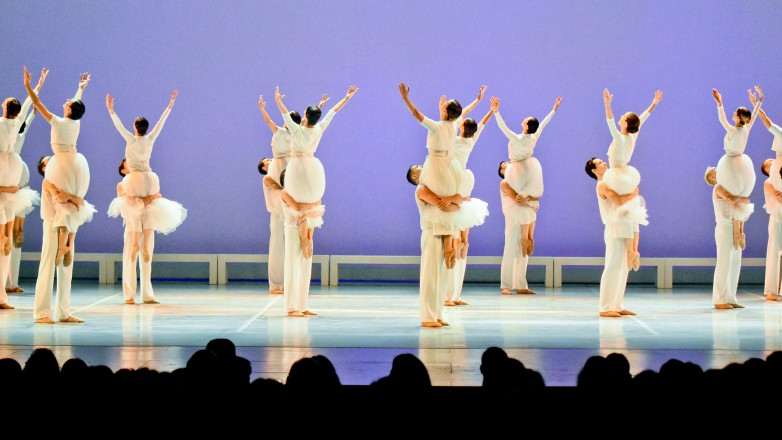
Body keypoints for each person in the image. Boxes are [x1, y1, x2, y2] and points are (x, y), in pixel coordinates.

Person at [24, 67, 93, 324]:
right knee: (53, 251)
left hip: (64, 167)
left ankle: (62, 311)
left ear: (68, 110)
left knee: (65, 254)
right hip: (71, 167)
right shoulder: (74, 120)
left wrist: (31, 86)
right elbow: (76, 104)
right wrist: (81, 89)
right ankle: (43, 311)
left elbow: (37, 104)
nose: (65, 101)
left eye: (68, 102)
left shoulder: (62, 120)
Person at [399, 82, 488, 268]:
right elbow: (463, 113)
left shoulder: (437, 127)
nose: (441, 105)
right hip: (449, 168)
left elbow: (416, 114)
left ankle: (450, 246)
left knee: (438, 201)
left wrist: (406, 98)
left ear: (446, 113)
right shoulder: (454, 125)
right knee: (451, 201)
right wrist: (477, 101)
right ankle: (452, 245)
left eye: (444, 105)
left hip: (436, 166)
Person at [273, 85, 358, 259]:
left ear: (305, 115)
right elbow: (333, 112)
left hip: (297, 167)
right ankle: (309, 238)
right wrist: (346, 97)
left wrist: (277, 100)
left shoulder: (296, 129)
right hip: (313, 167)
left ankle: (304, 239)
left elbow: (284, 113)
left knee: (300, 201)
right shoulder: (318, 128)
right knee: (310, 202)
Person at [257, 93, 326, 293]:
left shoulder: (298, 132)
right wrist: (262, 108)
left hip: (292, 168)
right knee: (280, 227)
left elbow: (311, 119)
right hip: (281, 168)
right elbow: (270, 119)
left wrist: (319, 104)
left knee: (296, 220)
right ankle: (278, 282)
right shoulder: (281, 131)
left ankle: (292, 279)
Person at [106, 89, 181, 264]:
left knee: (134, 211)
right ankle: (146, 248)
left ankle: (134, 245)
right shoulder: (150, 139)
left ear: (135, 127)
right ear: (146, 129)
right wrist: (170, 105)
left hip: (135, 178)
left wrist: (111, 110)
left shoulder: (131, 140)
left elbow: (118, 126)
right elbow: (161, 124)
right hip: (150, 177)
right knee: (149, 213)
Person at [443, 98, 497, 306]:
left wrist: (478, 102)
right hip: (462, 182)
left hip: (457, 182)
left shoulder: (455, 140)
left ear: (463, 127)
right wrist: (488, 108)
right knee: (459, 240)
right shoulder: (469, 141)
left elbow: (460, 115)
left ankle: (453, 295)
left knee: (459, 241)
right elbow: (480, 124)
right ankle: (451, 295)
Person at [108, 158, 185, 305]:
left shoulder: (145, 183)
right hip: (132, 225)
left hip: (147, 221)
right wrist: (148, 198)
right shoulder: (122, 185)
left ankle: (147, 295)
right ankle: (129, 295)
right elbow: (131, 202)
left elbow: (158, 196)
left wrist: (147, 198)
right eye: (128, 166)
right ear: (124, 171)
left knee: (147, 256)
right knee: (130, 257)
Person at [494, 94, 562, 257]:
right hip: (530, 168)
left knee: (521, 200)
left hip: (517, 168)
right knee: (530, 200)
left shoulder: (518, 138)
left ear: (525, 125)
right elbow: (544, 124)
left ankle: (525, 237)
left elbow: (503, 128)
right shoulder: (534, 136)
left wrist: (496, 111)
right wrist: (554, 110)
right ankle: (529, 236)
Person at [602, 88, 662, 270]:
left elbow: (610, 121)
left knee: (622, 212)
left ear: (626, 123)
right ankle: (634, 250)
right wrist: (653, 104)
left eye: (623, 117)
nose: (620, 117)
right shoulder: (632, 137)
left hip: (617, 174)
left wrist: (607, 103)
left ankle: (629, 252)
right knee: (632, 212)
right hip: (627, 174)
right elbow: (642, 118)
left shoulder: (620, 138)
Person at [3, 75, 45, 296]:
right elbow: (29, 111)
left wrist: (34, 88)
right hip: (19, 174)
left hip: (10, 175)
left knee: (8, 232)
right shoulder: (20, 127)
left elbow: (28, 111)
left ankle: (7, 283)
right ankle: (11, 282)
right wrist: (35, 87)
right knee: (16, 232)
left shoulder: (8, 126)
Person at [585, 157, 639, 317]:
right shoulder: (602, 185)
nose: (604, 163)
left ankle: (616, 304)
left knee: (623, 267)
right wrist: (634, 192)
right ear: (595, 171)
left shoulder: (614, 183)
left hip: (625, 224)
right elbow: (619, 200)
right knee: (613, 266)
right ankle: (605, 306)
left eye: (603, 161)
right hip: (614, 228)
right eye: (600, 163)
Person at [712, 86, 763, 250]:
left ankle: (736, 233)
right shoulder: (746, 128)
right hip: (743, 165)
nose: (733, 114)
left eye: (735, 112)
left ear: (739, 117)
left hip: (731, 164)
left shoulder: (734, 130)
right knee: (741, 196)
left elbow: (722, 120)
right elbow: (754, 116)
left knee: (734, 195)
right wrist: (758, 101)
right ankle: (741, 230)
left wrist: (720, 103)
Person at [407, 164, 456, 328]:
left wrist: (453, 199)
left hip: (444, 231)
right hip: (431, 232)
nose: (423, 166)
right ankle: (428, 316)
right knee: (430, 275)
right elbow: (442, 204)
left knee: (442, 277)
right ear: (415, 176)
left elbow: (450, 203)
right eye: (418, 167)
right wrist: (453, 200)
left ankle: (438, 314)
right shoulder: (421, 189)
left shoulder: (435, 188)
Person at [278, 169, 323, 317]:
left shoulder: (301, 194)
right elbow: (298, 208)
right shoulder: (284, 192)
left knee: (305, 268)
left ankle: (302, 305)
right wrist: (310, 208)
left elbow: (318, 204)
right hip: (292, 231)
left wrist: (309, 208)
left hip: (307, 228)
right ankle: (291, 307)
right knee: (293, 267)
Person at [705, 166, 748, 309]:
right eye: (715, 172)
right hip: (724, 227)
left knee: (735, 262)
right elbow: (731, 200)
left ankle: (730, 297)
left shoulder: (731, 188)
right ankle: (719, 299)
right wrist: (741, 197)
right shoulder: (718, 188)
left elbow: (739, 202)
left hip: (734, 226)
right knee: (724, 262)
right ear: (712, 178)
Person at [498, 161, 539, 295]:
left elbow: (536, 197)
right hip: (513, 217)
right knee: (510, 248)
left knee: (524, 248)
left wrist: (529, 199)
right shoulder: (505, 183)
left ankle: (521, 284)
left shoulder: (524, 183)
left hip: (527, 216)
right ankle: (506, 285)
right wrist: (529, 199)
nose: (508, 166)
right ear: (502, 172)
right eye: (504, 166)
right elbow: (517, 198)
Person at [756, 104, 782, 301]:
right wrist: (759, 106)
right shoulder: (773, 170)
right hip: (778, 210)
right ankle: (772, 289)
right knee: (774, 246)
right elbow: (768, 124)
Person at [761, 158, 782, 301]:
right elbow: (778, 196)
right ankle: (771, 290)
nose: (772, 160)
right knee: (774, 252)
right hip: (776, 217)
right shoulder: (768, 183)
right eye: (769, 162)